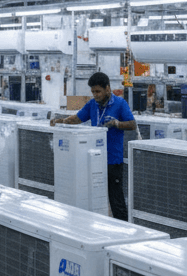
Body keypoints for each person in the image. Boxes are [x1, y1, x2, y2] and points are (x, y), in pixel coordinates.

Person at [51, 71, 136, 220]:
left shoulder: (120, 104)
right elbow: (77, 118)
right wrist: (61, 121)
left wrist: (117, 123)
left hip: (112, 160)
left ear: (107, 89)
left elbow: (132, 124)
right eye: (93, 92)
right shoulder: (92, 105)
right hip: (93, 159)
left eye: (98, 91)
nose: (95, 95)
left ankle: (123, 227)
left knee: (115, 198)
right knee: (94, 194)